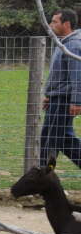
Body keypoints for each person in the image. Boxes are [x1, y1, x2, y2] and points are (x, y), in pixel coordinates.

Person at [40, 8, 81, 166]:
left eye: (55, 21)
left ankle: (43, 177)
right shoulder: (62, 43)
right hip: (57, 99)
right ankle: (44, 176)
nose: (50, 25)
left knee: (51, 140)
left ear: (67, 24)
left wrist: (77, 101)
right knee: (62, 139)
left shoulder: (74, 46)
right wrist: (50, 95)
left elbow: (77, 76)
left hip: (64, 100)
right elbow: (60, 75)